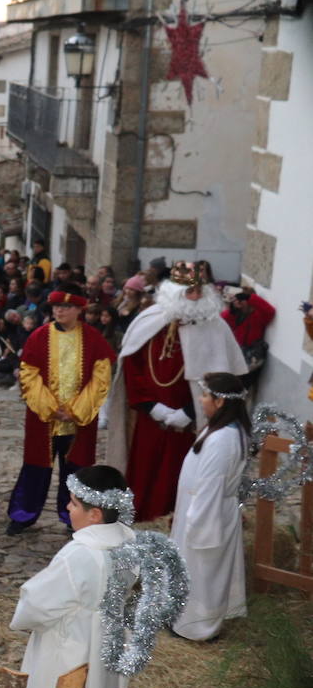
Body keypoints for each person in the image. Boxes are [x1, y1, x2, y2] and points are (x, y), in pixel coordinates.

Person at [10, 466, 137, 688]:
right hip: (108, 643)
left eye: (74, 503)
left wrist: (22, 617)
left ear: (94, 515)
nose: (67, 508)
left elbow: (38, 603)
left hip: (70, 647)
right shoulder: (129, 544)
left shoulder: (78, 554)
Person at [102, 260, 247, 521]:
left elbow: (225, 380)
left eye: (199, 291)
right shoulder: (149, 321)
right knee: (143, 474)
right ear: (173, 293)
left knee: (181, 478)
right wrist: (153, 408)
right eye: (189, 292)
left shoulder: (216, 328)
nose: (196, 297)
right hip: (149, 420)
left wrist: (189, 412)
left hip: (192, 424)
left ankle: (176, 526)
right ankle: (138, 523)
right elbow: (133, 370)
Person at [6, 284, 117, 534]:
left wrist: (77, 410)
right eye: (56, 306)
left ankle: (74, 519)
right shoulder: (39, 337)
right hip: (44, 418)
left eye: (66, 307)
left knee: (78, 471)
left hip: (79, 421)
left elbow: (101, 378)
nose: (60, 311)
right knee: (35, 466)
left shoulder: (93, 339)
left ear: (79, 309)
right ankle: (23, 514)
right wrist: (49, 407)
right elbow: (29, 374)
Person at [170, 372, 250, 641]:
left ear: (219, 402)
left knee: (203, 573)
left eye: (206, 395)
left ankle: (198, 626)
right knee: (194, 570)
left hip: (207, 514)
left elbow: (211, 486)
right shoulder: (219, 429)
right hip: (199, 509)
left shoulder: (222, 439)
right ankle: (183, 618)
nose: (201, 400)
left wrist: (196, 524)